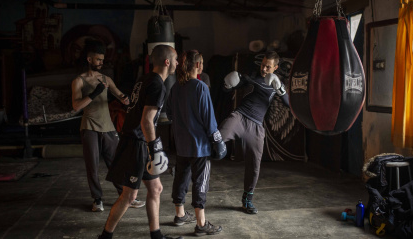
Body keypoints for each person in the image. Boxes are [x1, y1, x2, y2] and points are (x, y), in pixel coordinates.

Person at [98, 45, 182, 239]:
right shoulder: (157, 85)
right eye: (176, 59)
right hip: (136, 143)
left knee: (156, 188)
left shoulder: (144, 79)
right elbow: (146, 120)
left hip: (138, 140)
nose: (178, 63)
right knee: (129, 195)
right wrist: (154, 148)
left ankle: (156, 235)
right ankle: (105, 236)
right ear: (167, 62)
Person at [72, 39, 145, 212]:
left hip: (108, 127)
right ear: (89, 60)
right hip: (89, 127)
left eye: (102, 60)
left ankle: (126, 196)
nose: (101, 63)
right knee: (93, 165)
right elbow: (75, 106)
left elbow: (120, 96)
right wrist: (94, 94)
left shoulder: (106, 79)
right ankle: (97, 200)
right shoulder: (79, 81)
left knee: (117, 164)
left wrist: (127, 99)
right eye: (98, 59)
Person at [219, 50, 289, 214]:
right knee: (217, 138)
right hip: (240, 117)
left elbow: (288, 103)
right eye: (263, 65)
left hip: (256, 126)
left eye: (268, 67)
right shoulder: (250, 77)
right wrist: (227, 84)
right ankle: (197, 170)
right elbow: (227, 90)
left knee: (254, 165)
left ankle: (247, 200)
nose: (264, 69)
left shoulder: (276, 84)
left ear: (276, 67)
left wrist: (279, 87)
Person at [166, 50, 225, 236]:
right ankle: (201, 224)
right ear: (198, 65)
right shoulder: (200, 87)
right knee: (201, 182)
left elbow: (169, 114)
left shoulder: (175, 88)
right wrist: (218, 141)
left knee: (181, 178)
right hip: (200, 146)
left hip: (181, 144)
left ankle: (180, 214)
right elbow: (210, 120)